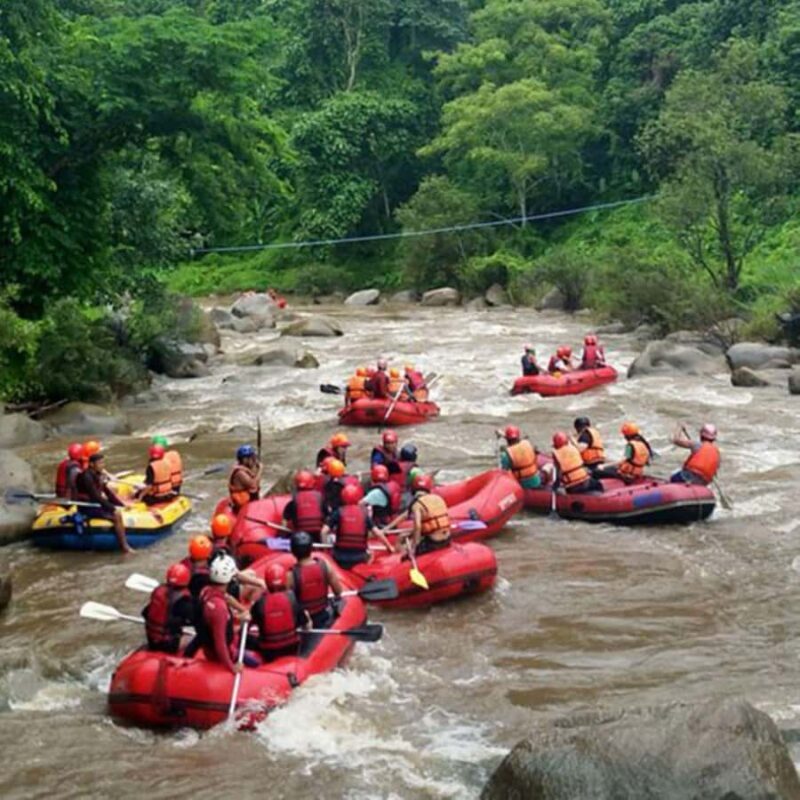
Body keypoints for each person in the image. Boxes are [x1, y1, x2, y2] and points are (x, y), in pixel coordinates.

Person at [197, 555, 252, 673]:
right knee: (254, 662)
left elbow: (226, 597)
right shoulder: (219, 609)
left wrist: (242, 610)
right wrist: (232, 668)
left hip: (210, 646)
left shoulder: (206, 591)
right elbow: (220, 644)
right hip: (220, 655)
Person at [323, 484, 394, 567]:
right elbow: (377, 533)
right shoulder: (364, 513)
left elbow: (324, 531)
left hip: (339, 557)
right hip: (360, 558)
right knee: (371, 555)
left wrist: (326, 550)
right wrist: (389, 547)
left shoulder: (338, 512)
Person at [75, 451, 133, 553]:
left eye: (103, 463)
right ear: (92, 464)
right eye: (100, 463)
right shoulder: (86, 476)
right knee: (117, 515)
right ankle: (125, 547)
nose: (102, 465)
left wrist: (122, 505)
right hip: (87, 506)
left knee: (118, 510)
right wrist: (113, 508)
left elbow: (107, 492)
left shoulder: (98, 475)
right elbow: (95, 496)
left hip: (95, 504)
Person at [286, 532, 343, 628]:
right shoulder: (325, 566)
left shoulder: (290, 576)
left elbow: (288, 606)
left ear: (293, 551)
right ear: (311, 548)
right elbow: (338, 591)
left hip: (303, 621)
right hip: (323, 616)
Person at [249, 563, 304, 663]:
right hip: (292, 648)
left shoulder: (259, 603)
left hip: (268, 652)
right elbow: (302, 622)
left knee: (247, 638)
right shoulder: (292, 598)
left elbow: (251, 623)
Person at [142, 563, 194, 654]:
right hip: (168, 644)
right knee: (195, 637)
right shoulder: (182, 600)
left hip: (151, 640)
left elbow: (144, 613)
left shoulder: (159, 592)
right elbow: (195, 620)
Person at [407, 473, 451, 555]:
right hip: (447, 539)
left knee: (405, 557)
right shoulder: (438, 498)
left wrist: (414, 548)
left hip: (433, 542)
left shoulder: (417, 504)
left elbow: (418, 526)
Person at [282, 470, 325, 541]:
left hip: (300, 536)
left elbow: (284, 521)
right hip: (317, 536)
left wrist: (282, 535)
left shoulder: (293, 500)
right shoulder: (320, 497)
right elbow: (327, 517)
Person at [228, 444, 261, 514]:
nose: (253, 460)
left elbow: (253, 476)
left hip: (246, 504)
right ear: (245, 459)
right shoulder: (240, 473)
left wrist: (255, 467)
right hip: (242, 506)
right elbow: (254, 485)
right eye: (252, 458)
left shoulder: (244, 469)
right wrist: (260, 469)